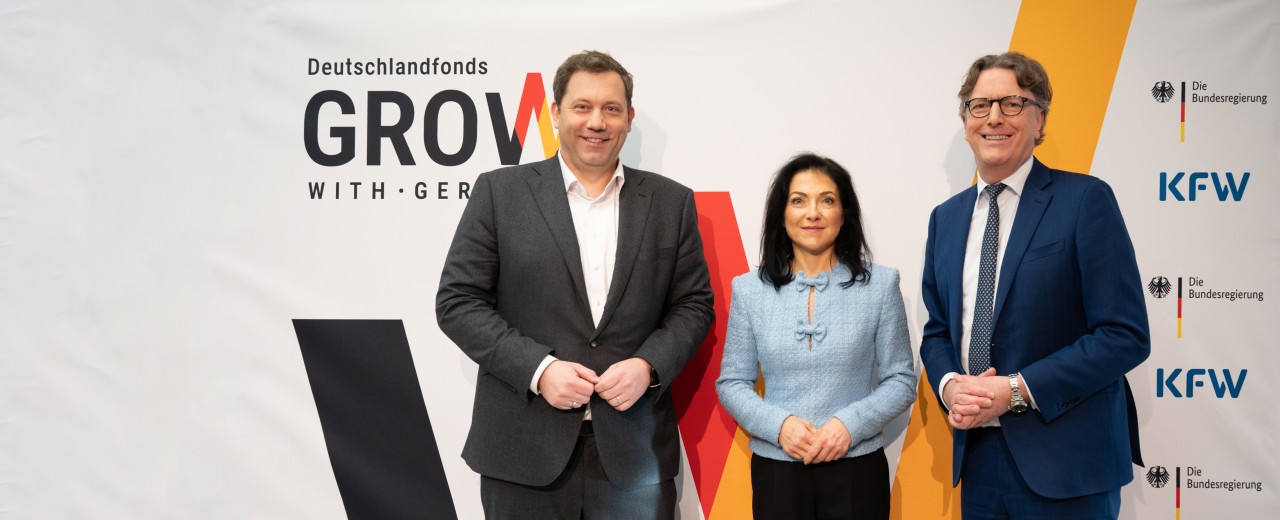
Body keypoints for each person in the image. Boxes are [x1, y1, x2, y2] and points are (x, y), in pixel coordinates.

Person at [435, 50, 713, 519]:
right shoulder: (500, 193)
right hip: (523, 453)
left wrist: (648, 365)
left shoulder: (671, 202)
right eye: (582, 106)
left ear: (629, 118)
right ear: (555, 112)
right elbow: (458, 302)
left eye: (611, 108)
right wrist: (539, 369)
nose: (597, 122)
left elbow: (693, 305)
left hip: (635, 454)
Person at [919, 52, 1150, 519]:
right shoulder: (946, 219)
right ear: (965, 122)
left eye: (1012, 103)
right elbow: (938, 331)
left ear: (1039, 118)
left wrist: (1016, 390)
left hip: (1067, 463)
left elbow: (1124, 335)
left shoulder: (1085, 200)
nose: (994, 118)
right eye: (980, 105)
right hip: (978, 459)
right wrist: (950, 387)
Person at [716, 153, 917, 520]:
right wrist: (779, 427)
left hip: (857, 467)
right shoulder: (749, 290)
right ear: (781, 214)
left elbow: (901, 381)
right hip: (777, 468)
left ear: (844, 213)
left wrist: (848, 426)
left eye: (827, 200)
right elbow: (732, 382)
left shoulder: (881, 285)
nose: (813, 213)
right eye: (798, 201)